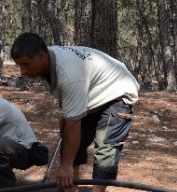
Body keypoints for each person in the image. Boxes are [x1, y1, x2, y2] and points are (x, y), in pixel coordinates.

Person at [11, 32, 139, 192]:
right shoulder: (47, 64)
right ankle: (72, 189)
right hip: (91, 95)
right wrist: (67, 117)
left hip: (117, 93)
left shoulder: (69, 73)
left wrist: (65, 167)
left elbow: (74, 121)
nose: (22, 71)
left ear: (42, 56)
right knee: (70, 144)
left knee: (105, 150)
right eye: (19, 65)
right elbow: (70, 112)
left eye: (26, 64)